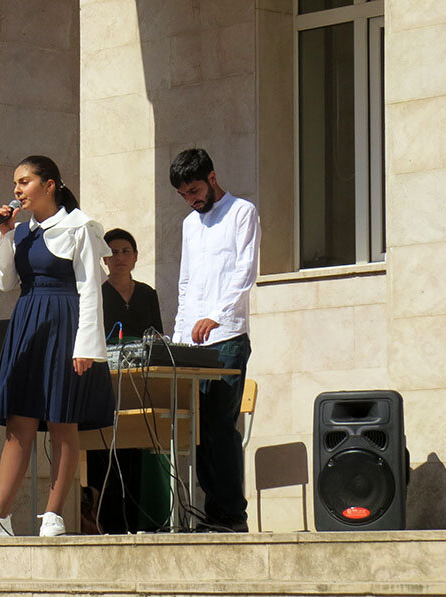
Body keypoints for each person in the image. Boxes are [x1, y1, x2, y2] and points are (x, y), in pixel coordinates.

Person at [0, 155, 113, 538]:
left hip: (65, 322)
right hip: (27, 321)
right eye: (15, 183)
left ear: (50, 184)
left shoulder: (79, 227)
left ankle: (55, 514)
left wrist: (86, 345)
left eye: (25, 181)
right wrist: (4, 235)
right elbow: (6, 282)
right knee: (18, 420)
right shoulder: (23, 231)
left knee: (63, 420)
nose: (17, 189)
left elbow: (90, 288)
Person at [169, 148, 259, 532]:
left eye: (195, 189)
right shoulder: (191, 225)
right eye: (185, 195)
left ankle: (231, 514)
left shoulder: (242, 212)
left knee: (221, 426)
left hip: (227, 337)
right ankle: (212, 513)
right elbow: (186, 282)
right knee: (201, 429)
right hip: (193, 345)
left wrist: (216, 316)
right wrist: (177, 335)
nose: (192, 199)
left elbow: (245, 271)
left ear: (212, 176)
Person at [84, 228, 166, 534]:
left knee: (138, 448)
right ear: (104, 259)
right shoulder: (97, 294)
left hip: (140, 384)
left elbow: (156, 337)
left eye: (125, 252)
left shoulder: (147, 294)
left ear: (135, 257)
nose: (119, 258)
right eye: (113, 252)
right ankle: (106, 521)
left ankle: (142, 522)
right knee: (106, 451)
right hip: (106, 383)